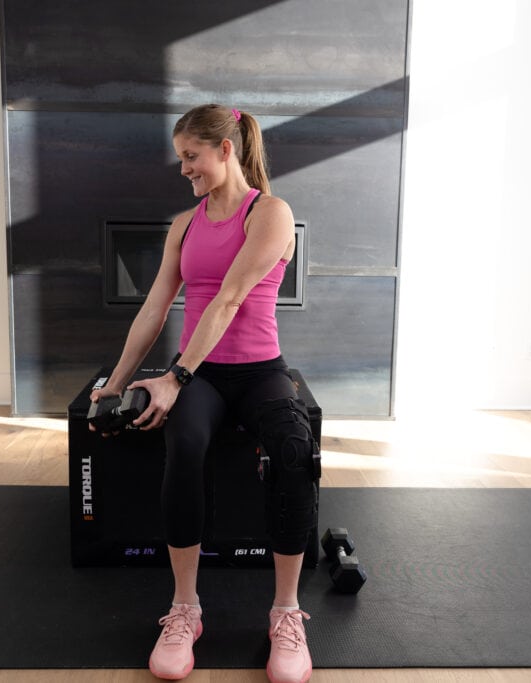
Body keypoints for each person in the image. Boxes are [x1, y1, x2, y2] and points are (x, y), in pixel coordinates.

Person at [89, 104, 320, 683]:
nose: (183, 168)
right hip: (203, 374)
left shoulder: (270, 213)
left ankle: (286, 613)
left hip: (260, 370)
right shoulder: (183, 225)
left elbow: (230, 299)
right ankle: (185, 609)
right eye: (180, 158)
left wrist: (174, 378)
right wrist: (113, 387)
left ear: (225, 150)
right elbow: (154, 307)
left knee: (293, 450)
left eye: (191, 156)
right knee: (184, 444)